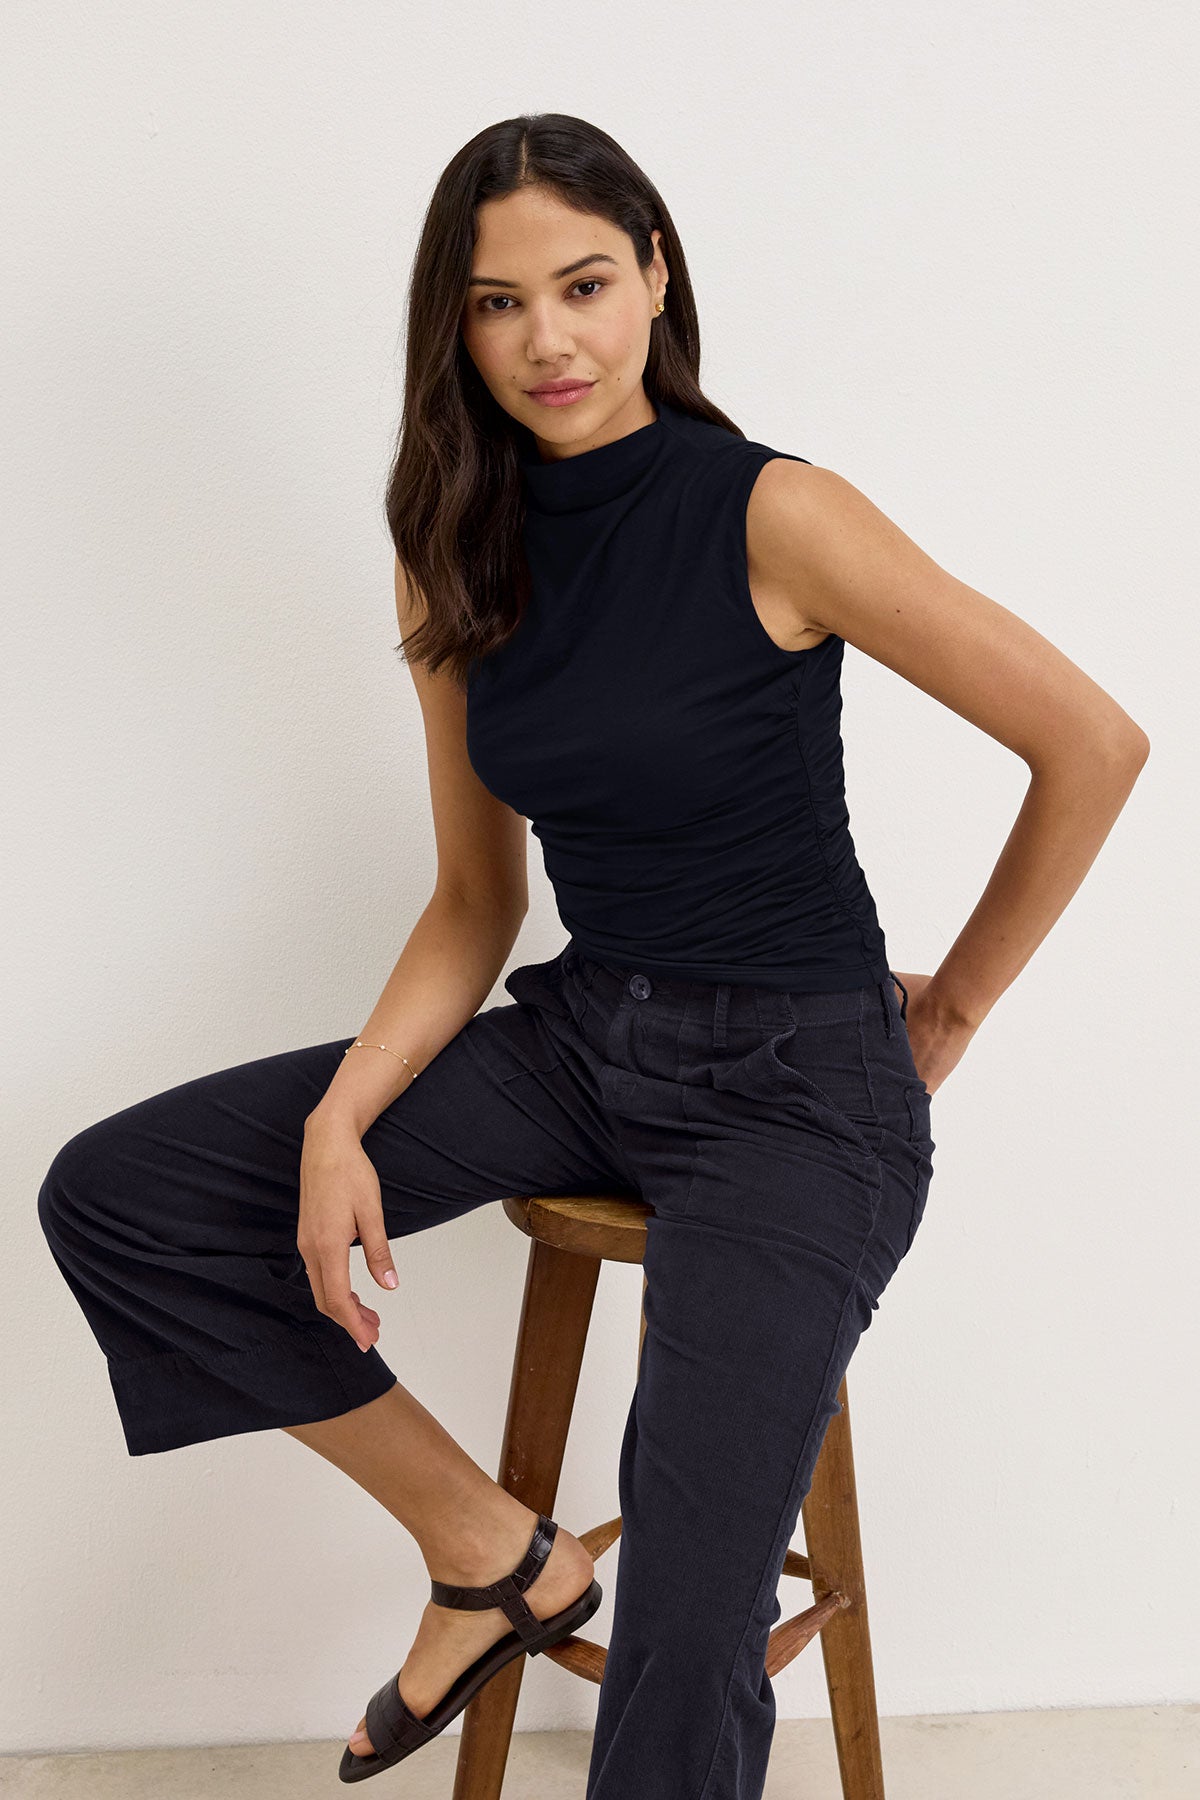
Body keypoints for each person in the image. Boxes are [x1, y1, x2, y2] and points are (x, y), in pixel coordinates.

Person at [36, 111, 1150, 1798]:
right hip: (584, 1041)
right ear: (456, 327)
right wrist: (340, 1120)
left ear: (655, 279)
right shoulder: (452, 541)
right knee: (129, 1195)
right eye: (496, 303)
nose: (546, 339)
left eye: (581, 284)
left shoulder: (777, 513)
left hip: (799, 1093)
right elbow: (475, 901)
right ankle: (491, 1556)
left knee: (692, 1624)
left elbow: (1092, 743)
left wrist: (960, 1003)